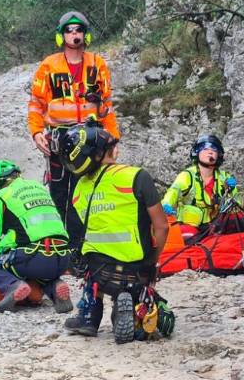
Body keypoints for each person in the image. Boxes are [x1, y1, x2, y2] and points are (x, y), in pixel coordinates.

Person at [59, 122, 175, 344]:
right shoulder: (136, 177)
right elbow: (162, 227)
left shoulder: (79, 189)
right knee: (159, 314)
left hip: (98, 271)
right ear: (103, 151)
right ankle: (130, 306)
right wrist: (153, 262)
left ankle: (89, 314)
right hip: (136, 270)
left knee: (91, 268)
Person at [28, 11, 120, 247]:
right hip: (59, 136)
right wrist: (37, 132)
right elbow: (37, 103)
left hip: (90, 136)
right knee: (59, 192)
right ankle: (58, 245)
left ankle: (80, 247)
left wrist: (113, 139)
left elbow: (106, 105)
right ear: (61, 36)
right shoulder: (49, 65)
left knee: (85, 191)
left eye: (78, 29)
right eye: (69, 30)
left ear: (85, 34)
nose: (74, 34)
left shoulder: (97, 64)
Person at [0, 159, 73, 313]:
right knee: (40, 274)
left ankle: (12, 286)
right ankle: (56, 286)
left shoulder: (1, 196)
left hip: (32, 257)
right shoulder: (40, 189)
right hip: (62, 259)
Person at [161, 134, 239, 238]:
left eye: (214, 149)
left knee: (242, 220)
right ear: (196, 152)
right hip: (191, 225)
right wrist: (166, 204)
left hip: (215, 226)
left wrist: (232, 190)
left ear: (218, 155)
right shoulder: (187, 175)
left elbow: (236, 205)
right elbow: (174, 191)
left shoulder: (224, 178)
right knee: (188, 235)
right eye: (205, 148)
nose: (210, 151)